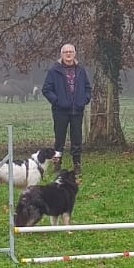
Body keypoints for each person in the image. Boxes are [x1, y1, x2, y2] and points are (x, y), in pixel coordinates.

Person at [41, 43, 92, 176]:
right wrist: (57, 101)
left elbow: (87, 88)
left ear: (75, 54)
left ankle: (77, 164)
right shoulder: (54, 71)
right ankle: (57, 163)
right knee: (59, 139)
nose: (68, 54)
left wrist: (85, 99)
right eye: (66, 52)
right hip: (60, 111)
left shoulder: (81, 70)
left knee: (77, 138)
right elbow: (46, 89)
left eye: (71, 52)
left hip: (77, 110)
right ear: (61, 54)